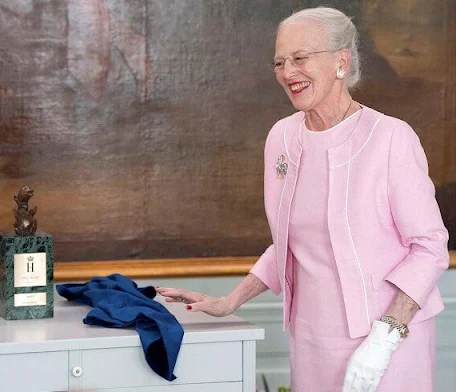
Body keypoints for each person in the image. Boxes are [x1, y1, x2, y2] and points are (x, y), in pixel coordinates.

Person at [156, 7, 449, 392]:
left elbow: (430, 248)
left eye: (299, 58)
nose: (287, 72)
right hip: (312, 337)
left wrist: (386, 338)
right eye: (279, 62)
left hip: (389, 338)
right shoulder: (282, 138)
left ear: (340, 61)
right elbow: (291, 243)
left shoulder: (391, 138)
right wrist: (230, 301)